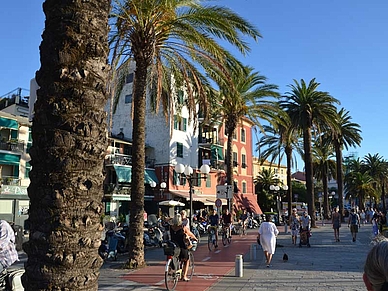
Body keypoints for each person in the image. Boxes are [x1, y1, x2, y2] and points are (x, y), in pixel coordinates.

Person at [169, 214, 198, 282]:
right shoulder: (183, 228)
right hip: (182, 247)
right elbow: (190, 234)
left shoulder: (171, 227)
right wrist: (195, 238)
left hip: (174, 247)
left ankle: (171, 270)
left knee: (174, 257)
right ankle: (184, 276)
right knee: (186, 260)